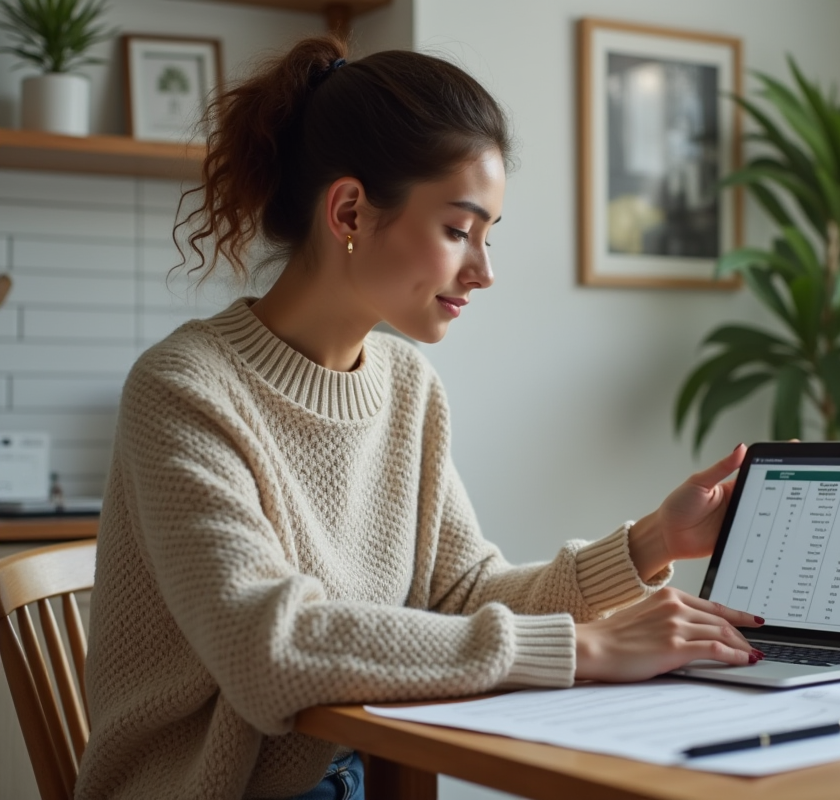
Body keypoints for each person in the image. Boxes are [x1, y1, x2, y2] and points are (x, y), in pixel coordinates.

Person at [75, 35, 763, 800]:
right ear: (349, 211)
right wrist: (580, 647)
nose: (485, 270)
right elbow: (266, 648)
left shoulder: (407, 386)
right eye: (459, 230)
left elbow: (465, 593)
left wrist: (651, 542)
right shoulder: (183, 388)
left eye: (489, 235)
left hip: (364, 769)